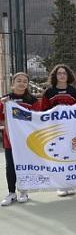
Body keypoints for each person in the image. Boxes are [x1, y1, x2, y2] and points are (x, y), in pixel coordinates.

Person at [41, 64, 76, 197]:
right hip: (56, 131)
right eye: (59, 73)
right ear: (55, 76)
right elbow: (43, 112)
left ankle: (69, 183)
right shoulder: (49, 92)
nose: (62, 75)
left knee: (71, 155)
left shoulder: (73, 92)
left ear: (68, 75)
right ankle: (61, 185)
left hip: (71, 130)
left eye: (64, 73)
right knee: (58, 157)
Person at [0, 73, 40, 206]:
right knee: (10, 166)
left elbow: (36, 118)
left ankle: (23, 190)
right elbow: (1, 118)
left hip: (26, 140)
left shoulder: (32, 100)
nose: (22, 83)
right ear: (13, 83)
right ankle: (11, 193)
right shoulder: (5, 100)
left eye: (25, 81)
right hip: (10, 140)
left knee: (23, 165)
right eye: (19, 81)